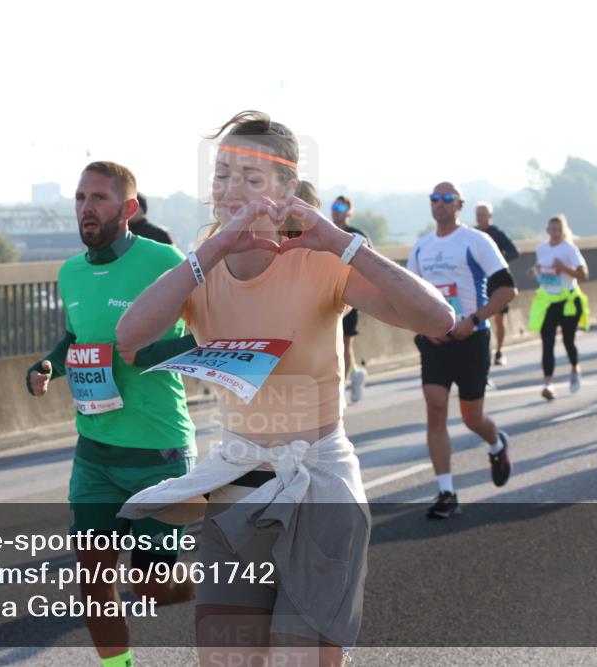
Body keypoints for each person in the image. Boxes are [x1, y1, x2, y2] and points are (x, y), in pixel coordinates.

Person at [115, 111, 454, 666]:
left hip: (316, 484)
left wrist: (345, 244)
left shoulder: (320, 261)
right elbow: (130, 338)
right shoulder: (202, 269)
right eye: (223, 174)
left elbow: (439, 320)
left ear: (287, 188)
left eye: (252, 177)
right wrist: (211, 251)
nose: (232, 190)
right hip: (234, 483)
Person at [26, 162, 196, 667]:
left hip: (156, 449)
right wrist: (48, 365)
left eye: (98, 198)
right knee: (94, 578)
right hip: (95, 451)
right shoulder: (70, 272)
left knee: (153, 587)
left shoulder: (165, 261)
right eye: (80, 197)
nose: (86, 208)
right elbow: (78, 336)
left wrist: (149, 353)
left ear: (128, 209)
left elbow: (212, 335)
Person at [408, 183, 518, 519]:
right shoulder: (421, 248)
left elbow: (507, 289)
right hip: (435, 342)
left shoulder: (476, 241)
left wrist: (474, 319)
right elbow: (410, 298)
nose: (439, 204)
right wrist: (425, 328)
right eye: (434, 199)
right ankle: (446, 491)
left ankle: (497, 443)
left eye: (446, 199)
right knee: (436, 407)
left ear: (459, 205)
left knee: (472, 418)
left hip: (471, 339)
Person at [527, 215, 589, 400]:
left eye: (558, 230)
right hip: (548, 301)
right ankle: (548, 384)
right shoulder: (541, 249)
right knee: (547, 343)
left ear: (564, 231)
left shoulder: (569, 249)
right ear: (547, 230)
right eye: (552, 229)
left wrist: (564, 267)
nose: (554, 233)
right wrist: (534, 271)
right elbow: (541, 267)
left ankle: (575, 368)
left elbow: (583, 274)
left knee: (568, 341)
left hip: (568, 301)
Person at [330, 195, 372, 402]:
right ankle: (356, 374)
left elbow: (372, 266)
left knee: (345, 344)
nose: (336, 210)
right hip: (328, 296)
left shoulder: (357, 235)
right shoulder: (325, 232)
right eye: (333, 206)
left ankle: (341, 391)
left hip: (351, 298)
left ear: (349, 212)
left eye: (341, 207)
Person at [475, 202, 520, 366]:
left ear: (490, 216)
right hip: (479, 282)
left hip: (497, 283)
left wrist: (497, 265)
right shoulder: (473, 234)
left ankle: (499, 351)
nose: (479, 217)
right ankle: (484, 351)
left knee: (499, 319)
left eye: (482, 214)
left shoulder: (497, 234)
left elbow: (514, 252)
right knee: (478, 317)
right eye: (477, 214)